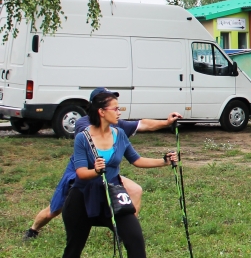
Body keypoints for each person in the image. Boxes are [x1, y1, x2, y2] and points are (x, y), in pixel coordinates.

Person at [56, 90, 178, 258]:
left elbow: (136, 160)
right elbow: (80, 173)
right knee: (74, 246)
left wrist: (164, 161)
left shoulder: (119, 134)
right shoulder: (83, 138)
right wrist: (95, 170)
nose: (119, 112)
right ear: (102, 112)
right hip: (82, 198)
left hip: (112, 195)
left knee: (135, 238)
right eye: (115, 108)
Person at [23, 87, 182, 241]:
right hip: (80, 174)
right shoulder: (83, 124)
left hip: (105, 174)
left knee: (135, 190)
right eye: (111, 105)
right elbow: (89, 141)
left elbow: (143, 125)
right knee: (54, 210)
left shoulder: (116, 125)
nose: (117, 110)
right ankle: (33, 229)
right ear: (99, 108)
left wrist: (166, 123)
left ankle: (124, 231)